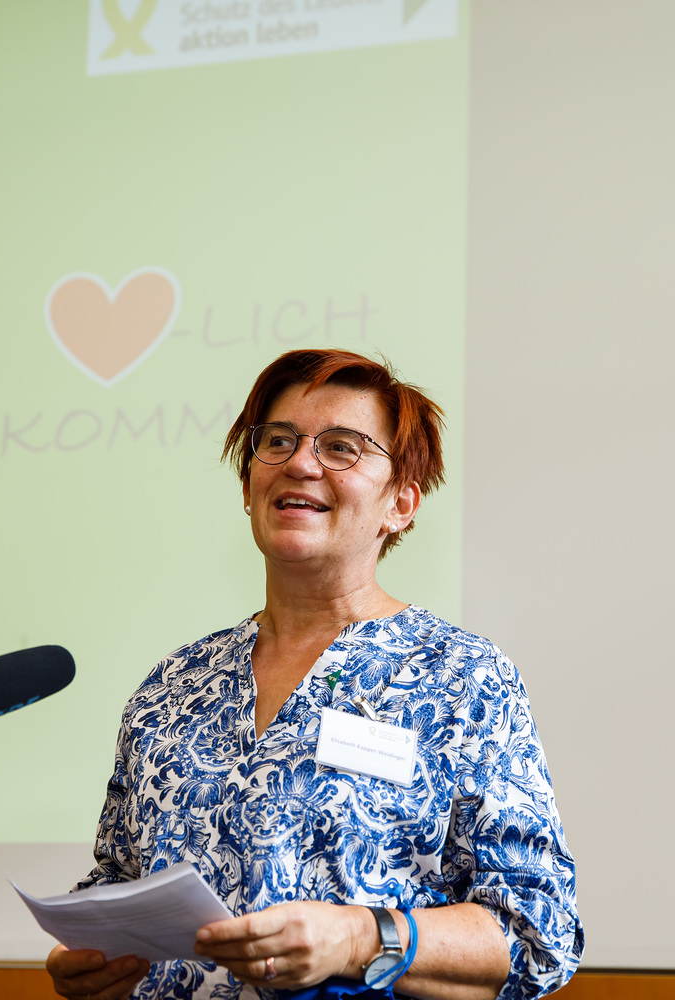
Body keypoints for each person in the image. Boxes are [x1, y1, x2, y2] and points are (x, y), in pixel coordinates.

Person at [47, 349, 582, 1000]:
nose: (300, 462)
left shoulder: (463, 677)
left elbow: (537, 934)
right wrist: (93, 960)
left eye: (342, 448)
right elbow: (118, 883)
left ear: (400, 504)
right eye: (277, 441)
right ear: (249, 486)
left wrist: (360, 938)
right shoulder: (173, 684)